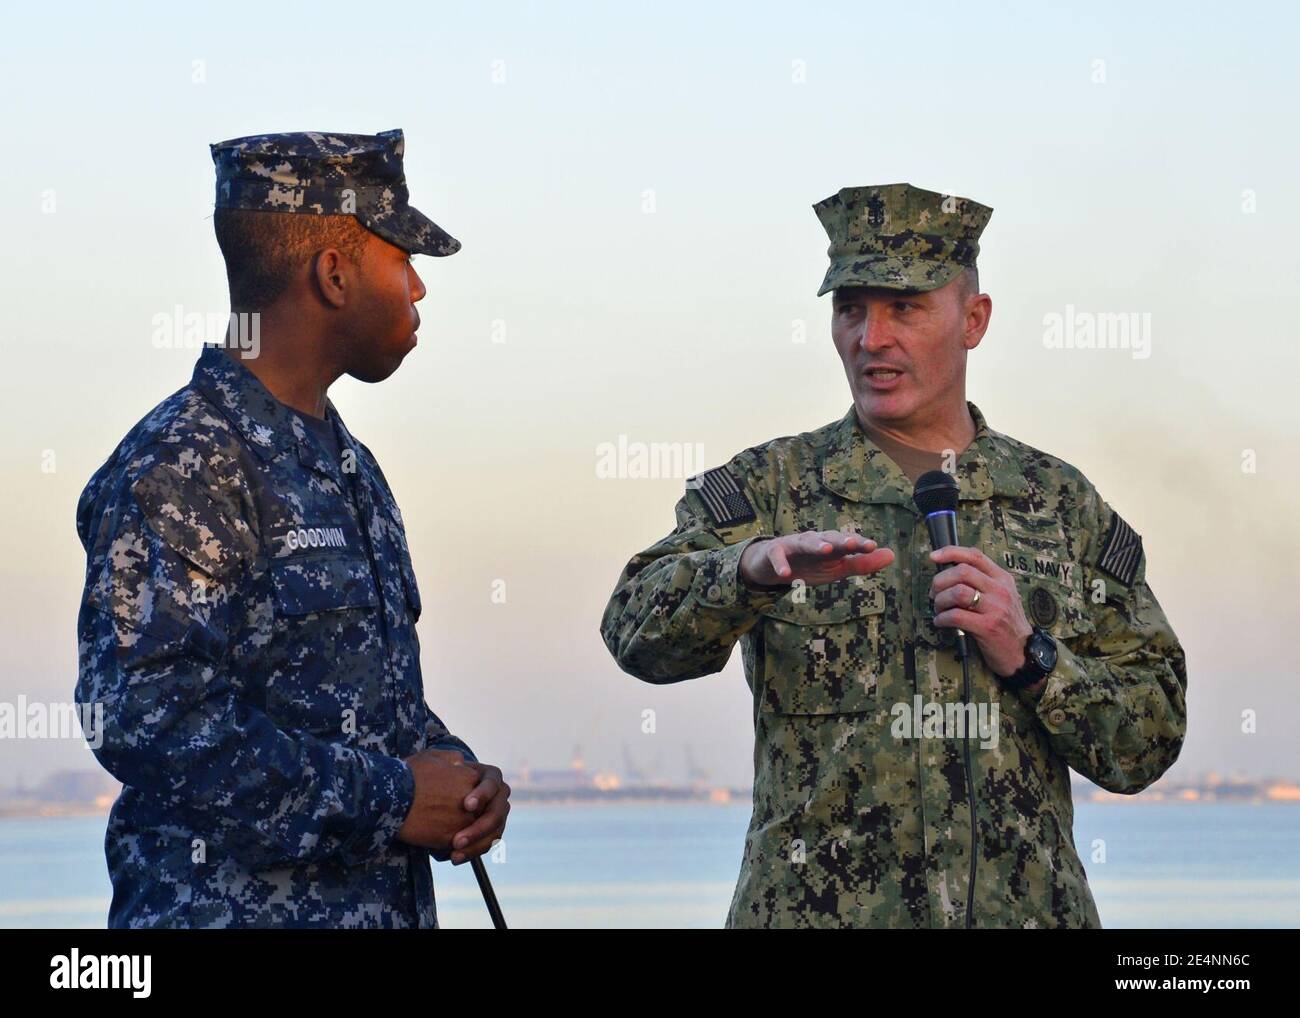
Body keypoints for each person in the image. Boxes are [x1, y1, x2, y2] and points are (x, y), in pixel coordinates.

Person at [599, 183, 1187, 928]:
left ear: (973, 320)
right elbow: (633, 632)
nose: (871, 338)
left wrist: (1031, 654)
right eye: (851, 308)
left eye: (903, 308)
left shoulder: (1058, 504)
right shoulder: (771, 489)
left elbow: (1148, 740)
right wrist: (748, 569)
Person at [75, 129, 509, 928]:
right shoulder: (184, 463)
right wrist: (397, 796)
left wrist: (457, 776)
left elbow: (350, 699)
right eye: (402, 259)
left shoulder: (347, 465)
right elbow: (148, 717)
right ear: (334, 274)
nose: (419, 289)